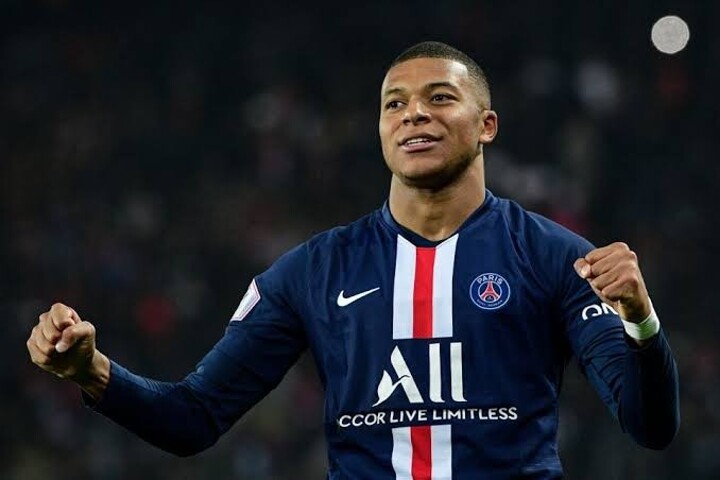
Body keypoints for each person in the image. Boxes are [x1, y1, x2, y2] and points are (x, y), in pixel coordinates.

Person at [27, 41, 680, 479]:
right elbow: (193, 419)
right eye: (395, 103)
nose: (413, 113)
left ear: (487, 125)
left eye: (440, 97)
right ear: (380, 130)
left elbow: (649, 425)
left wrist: (641, 321)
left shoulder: (554, 256)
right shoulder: (312, 272)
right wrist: (93, 372)